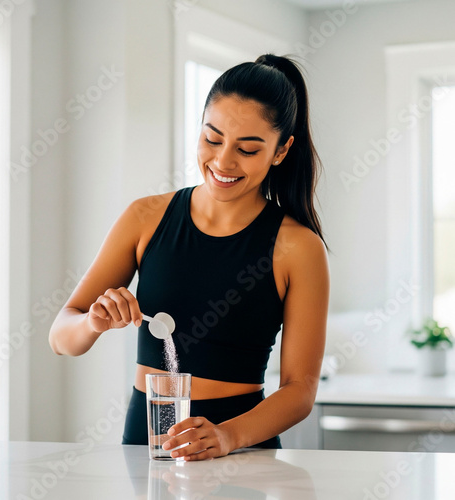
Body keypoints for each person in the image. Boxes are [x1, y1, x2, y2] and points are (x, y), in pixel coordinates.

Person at [49, 53, 329, 461]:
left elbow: (300, 390)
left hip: (242, 450)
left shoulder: (299, 247)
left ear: (281, 151)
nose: (222, 161)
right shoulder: (144, 217)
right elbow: (61, 337)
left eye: (247, 150)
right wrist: (92, 321)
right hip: (148, 440)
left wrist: (227, 437)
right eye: (212, 139)